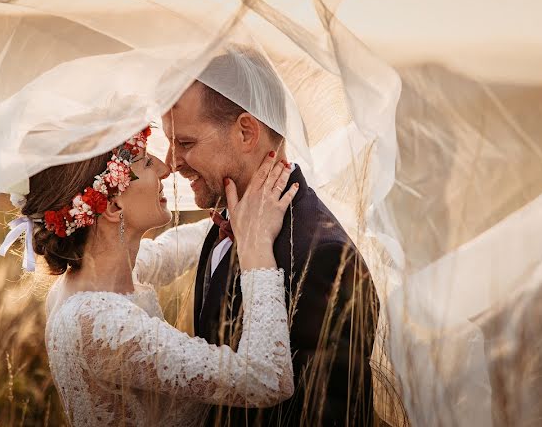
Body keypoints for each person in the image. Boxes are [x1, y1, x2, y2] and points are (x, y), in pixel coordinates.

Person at [9, 127, 298, 426]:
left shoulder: (93, 280)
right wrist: (257, 249)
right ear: (111, 205)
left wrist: (236, 221)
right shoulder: (98, 321)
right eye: (146, 162)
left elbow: (167, 251)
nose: (164, 168)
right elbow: (267, 379)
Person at [163, 50, 380, 426]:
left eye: (185, 143)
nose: (172, 162)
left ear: (246, 131)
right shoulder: (230, 214)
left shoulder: (325, 257)